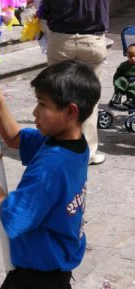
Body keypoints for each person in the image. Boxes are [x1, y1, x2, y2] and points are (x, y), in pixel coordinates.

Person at [0, 60, 101, 289]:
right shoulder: (74, 144)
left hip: (36, 283)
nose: (34, 112)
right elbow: (15, 138)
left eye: (42, 104)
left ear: (70, 111)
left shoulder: (50, 168)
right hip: (56, 273)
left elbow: (14, 219)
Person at [41, 0, 109, 165]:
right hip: (92, 40)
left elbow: (45, 10)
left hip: (61, 40)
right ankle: (88, 152)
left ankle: (57, 146)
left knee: (57, 95)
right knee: (89, 98)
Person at [109, 43, 135, 109]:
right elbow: (118, 73)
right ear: (127, 56)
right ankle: (118, 96)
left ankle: (131, 100)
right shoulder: (124, 65)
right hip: (125, 81)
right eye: (130, 56)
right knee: (120, 80)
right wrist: (119, 78)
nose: (132, 58)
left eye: (134, 56)